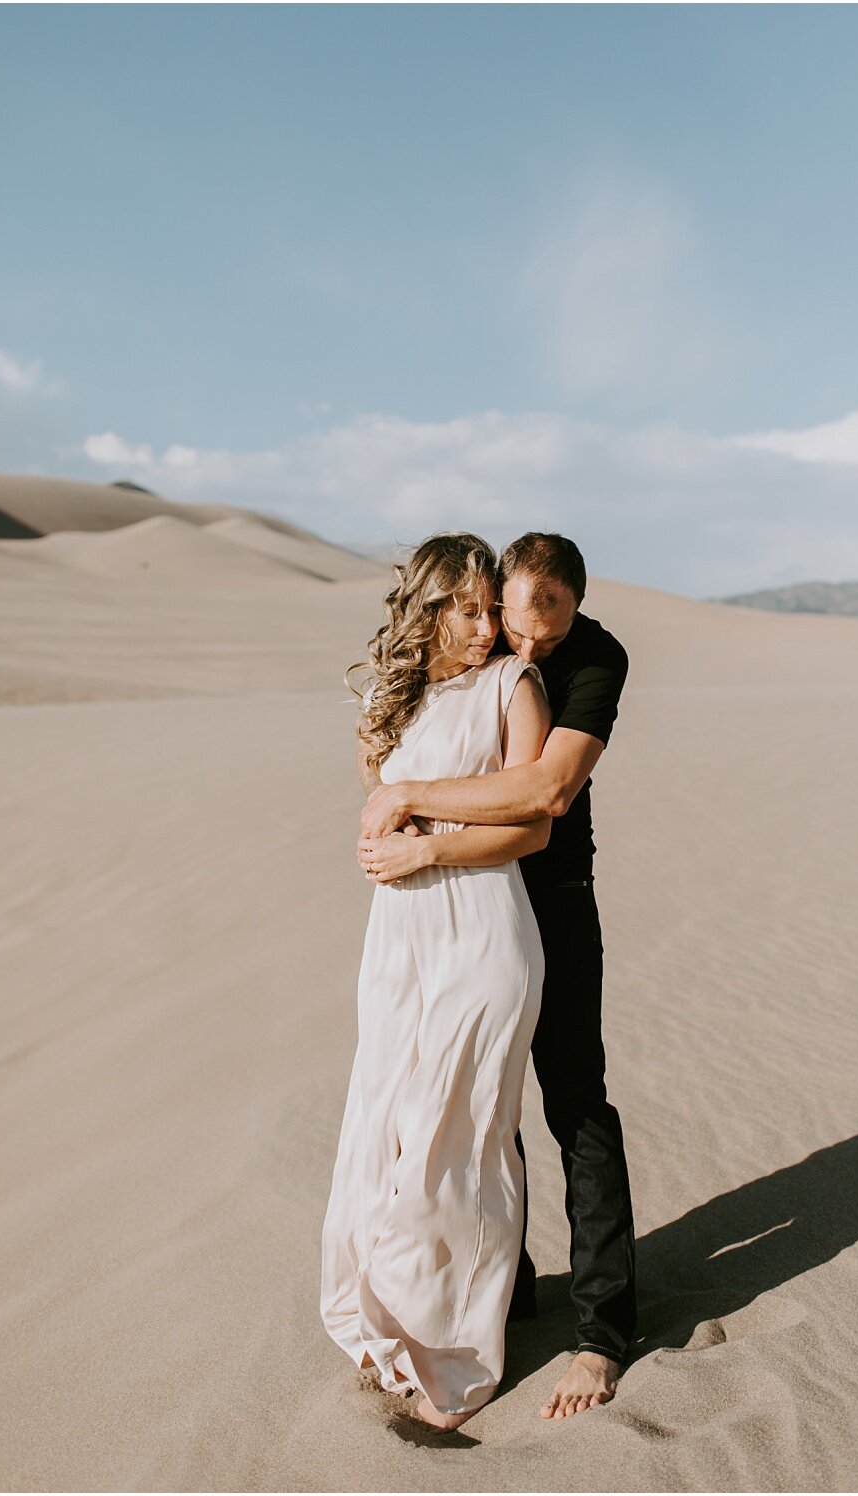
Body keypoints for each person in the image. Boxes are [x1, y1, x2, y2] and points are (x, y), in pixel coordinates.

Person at [359, 532, 637, 1422]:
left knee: (575, 1103)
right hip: (448, 914)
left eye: (546, 635)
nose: (524, 649)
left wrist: (412, 806)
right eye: (511, 624)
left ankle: (601, 1332)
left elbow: (545, 795)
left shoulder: (593, 659)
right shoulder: (479, 647)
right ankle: (500, 1297)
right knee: (478, 1112)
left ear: (573, 609)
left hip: (550, 901)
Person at [320, 532, 553, 1431]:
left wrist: (423, 835)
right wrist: (384, 847)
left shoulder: (513, 686)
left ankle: (455, 1356)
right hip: (399, 943)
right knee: (387, 1130)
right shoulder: (391, 701)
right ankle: (389, 1330)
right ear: (428, 608)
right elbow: (379, 815)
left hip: (483, 934)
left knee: (457, 1142)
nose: (490, 625)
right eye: (469, 607)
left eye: (494, 606)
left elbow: (532, 819)